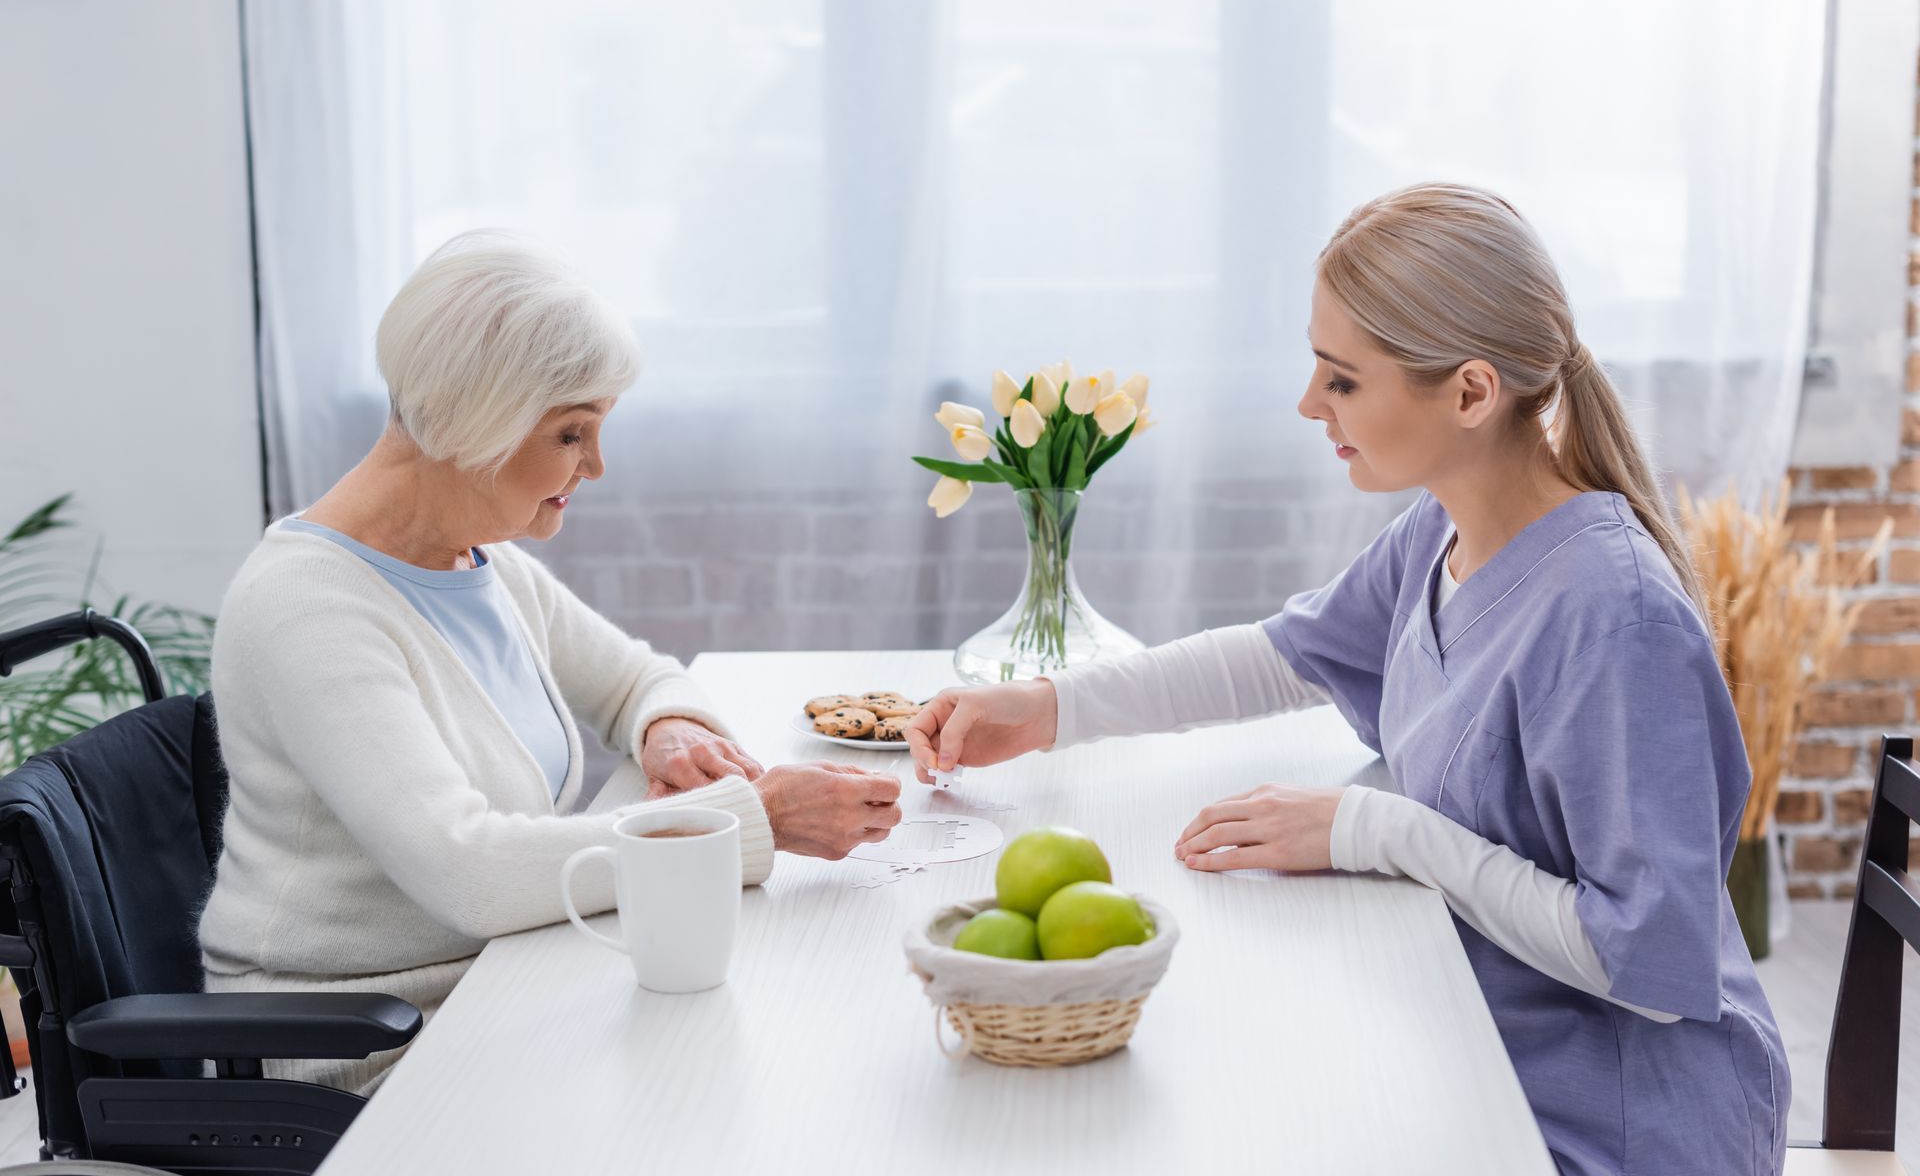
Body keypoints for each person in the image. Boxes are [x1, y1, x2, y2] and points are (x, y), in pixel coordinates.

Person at [906, 184, 1787, 1175]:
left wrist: (1376, 828)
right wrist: (1049, 707)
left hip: (1614, 1124)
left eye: (1342, 379)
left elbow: (1649, 970)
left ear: (1470, 392)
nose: (1308, 403)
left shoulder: (1613, 615)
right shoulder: (1445, 531)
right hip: (1472, 1032)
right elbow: (1280, 653)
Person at [200, 232, 902, 1094]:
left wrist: (669, 728)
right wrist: (746, 821)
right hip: (360, 1050)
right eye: (573, 433)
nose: (596, 466)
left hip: (497, 984)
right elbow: (473, 872)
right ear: (471, 418)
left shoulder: (473, 561)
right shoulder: (307, 607)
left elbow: (639, 678)